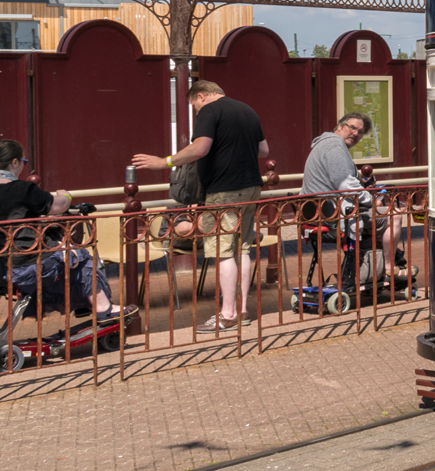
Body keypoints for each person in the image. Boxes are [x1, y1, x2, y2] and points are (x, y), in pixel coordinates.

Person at [131, 80, 268, 333]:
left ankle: (228, 315)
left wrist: (164, 162)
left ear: (201, 96)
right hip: (251, 187)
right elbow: (263, 150)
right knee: (244, 247)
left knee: (223, 249)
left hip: (224, 190)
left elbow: (200, 148)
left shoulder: (209, 110)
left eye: (194, 106)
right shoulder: (248, 110)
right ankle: (243, 311)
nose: (196, 111)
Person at [0, 140, 128, 323]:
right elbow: (58, 206)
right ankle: (102, 308)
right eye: (23, 161)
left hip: (3, 267)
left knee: (64, 262)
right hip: (27, 262)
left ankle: (84, 305)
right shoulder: (22, 189)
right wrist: (65, 195)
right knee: (78, 256)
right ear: (14, 163)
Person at [299, 113, 395, 292]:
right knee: (394, 217)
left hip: (318, 214)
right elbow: (345, 185)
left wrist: (363, 188)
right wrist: (371, 200)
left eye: (360, 132)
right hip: (333, 217)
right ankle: (389, 269)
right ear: (340, 126)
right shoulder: (335, 145)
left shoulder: (323, 144)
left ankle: (366, 272)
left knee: (377, 214)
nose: (355, 134)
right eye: (352, 128)